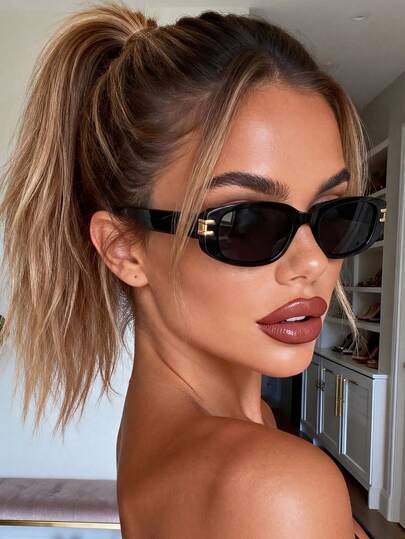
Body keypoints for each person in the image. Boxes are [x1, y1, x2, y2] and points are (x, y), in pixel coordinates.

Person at [0, 1, 382, 537]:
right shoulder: (272, 488)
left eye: (335, 213)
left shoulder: (192, 431)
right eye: (247, 222)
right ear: (124, 249)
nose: (315, 261)